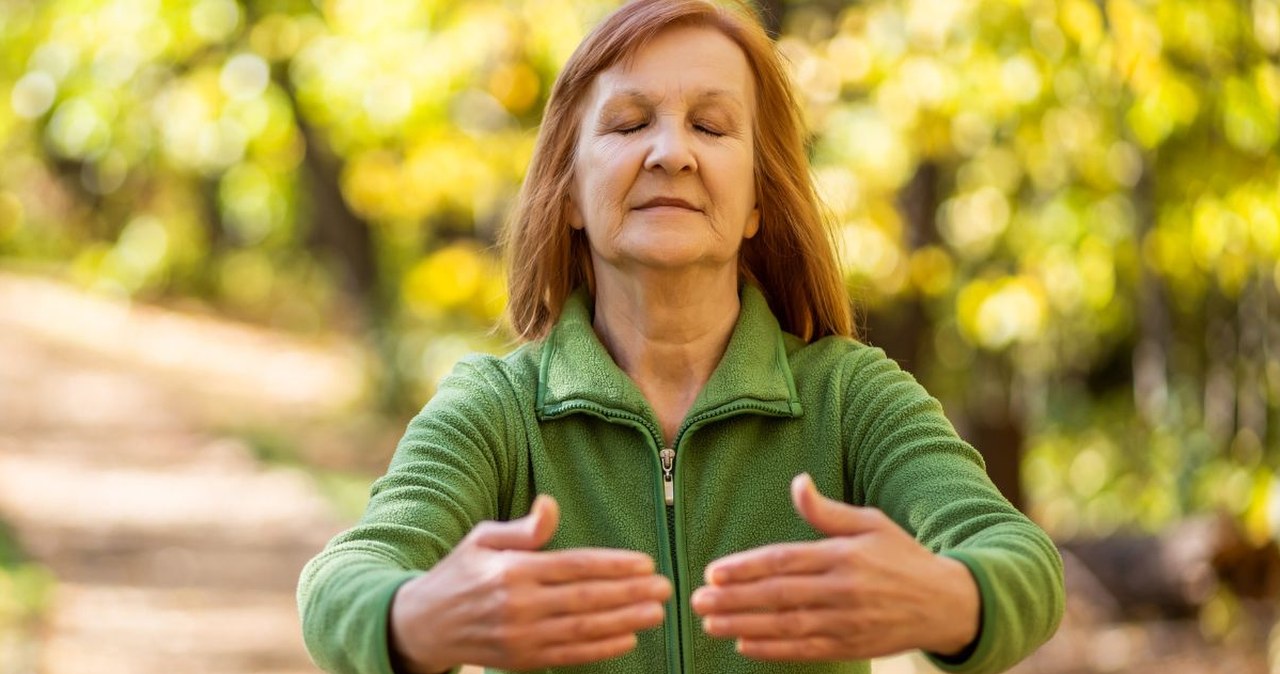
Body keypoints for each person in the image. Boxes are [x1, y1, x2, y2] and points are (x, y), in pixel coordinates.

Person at [297, 0, 1065, 672]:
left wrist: (948, 599)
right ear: (570, 193)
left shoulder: (850, 397)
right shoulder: (498, 410)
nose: (671, 153)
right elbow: (345, 576)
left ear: (757, 201)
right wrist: (415, 617)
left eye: (711, 125)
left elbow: (1021, 558)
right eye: (630, 123)